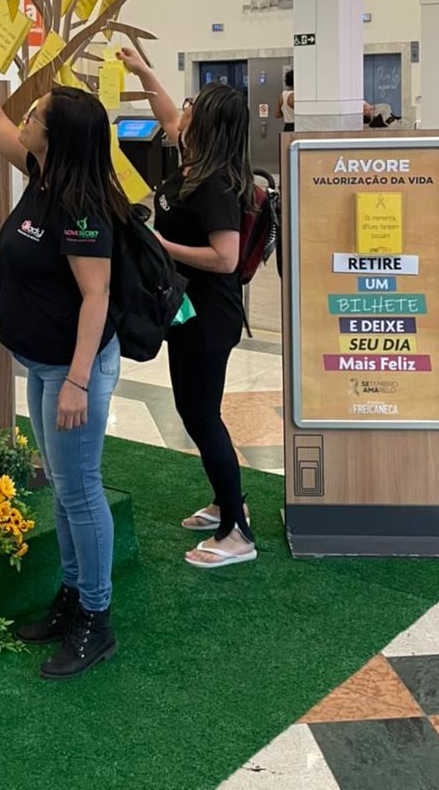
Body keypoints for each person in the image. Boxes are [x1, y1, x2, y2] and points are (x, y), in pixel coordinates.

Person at [0, 28, 129, 679]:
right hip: (45, 365)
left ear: (58, 135)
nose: (26, 115)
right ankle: (72, 598)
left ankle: (95, 622)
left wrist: (77, 381)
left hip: (76, 369)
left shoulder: (82, 206)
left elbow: (96, 299)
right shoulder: (41, 171)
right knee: (68, 492)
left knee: (80, 491)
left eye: (37, 115)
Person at [117, 47, 257, 569]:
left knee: (201, 416)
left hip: (209, 318)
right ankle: (227, 500)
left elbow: (225, 259)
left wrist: (157, 244)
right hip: (186, 313)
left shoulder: (217, 183)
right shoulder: (193, 161)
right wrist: (141, 70)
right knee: (194, 411)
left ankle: (237, 532)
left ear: (211, 121)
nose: (184, 107)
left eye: (194, 102)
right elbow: (167, 115)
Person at [277, 68, 294, 132]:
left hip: (287, 127)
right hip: (296, 127)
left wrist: (287, 113)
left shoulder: (282, 95)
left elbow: (278, 114)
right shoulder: (295, 95)